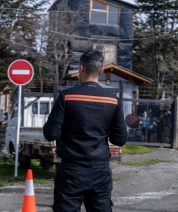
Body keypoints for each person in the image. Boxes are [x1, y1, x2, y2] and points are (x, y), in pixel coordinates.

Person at [43, 49, 128, 212]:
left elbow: (50, 134)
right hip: (100, 170)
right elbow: (120, 139)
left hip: (71, 170)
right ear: (101, 70)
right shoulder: (113, 100)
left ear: (81, 68)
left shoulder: (67, 96)